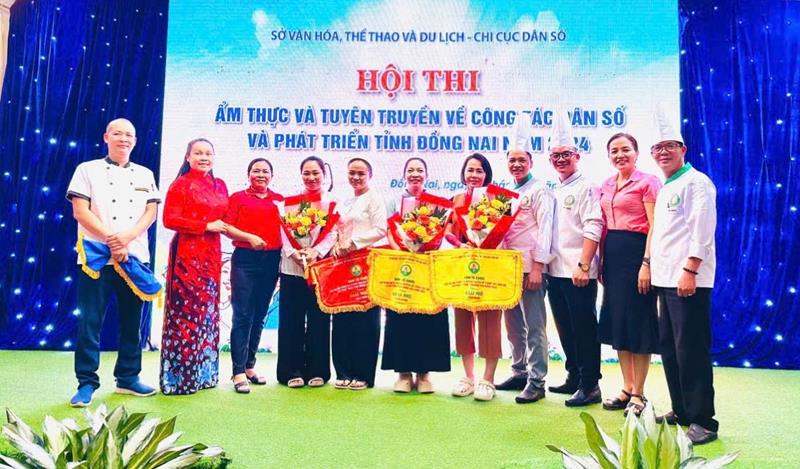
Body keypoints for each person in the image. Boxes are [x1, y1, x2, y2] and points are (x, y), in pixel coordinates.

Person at [66, 118, 160, 407]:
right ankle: (86, 382)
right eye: (117, 133)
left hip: (134, 256)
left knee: (132, 322)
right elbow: (80, 212)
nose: (123, 138)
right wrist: (112, 240)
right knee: (90, 322)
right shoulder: (87, 169)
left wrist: (126, 240)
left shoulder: (145, 174)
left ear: (135, 140)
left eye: (129, 134)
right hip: (97, 258)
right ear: (106, 137)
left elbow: (150, 213)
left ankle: (128, 378)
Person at [649, 113, 719, 445]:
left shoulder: (697, 182)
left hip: (688, 280)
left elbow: (702, 230)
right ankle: (682, 410)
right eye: (658, 148)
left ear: (683, 149)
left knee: (691, 350)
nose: (663, 152)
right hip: (666, 280)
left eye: (670, 146)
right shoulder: (667, 187)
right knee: (670, 348)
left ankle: (703, 420)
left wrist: (690, 270)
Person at [598, 133, 662, 416]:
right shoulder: (606, 184)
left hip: (637, 254)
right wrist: (601, 261)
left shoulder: (648, 182)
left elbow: (655, 225)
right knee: (619, 323)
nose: (620, 155)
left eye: (625, 149)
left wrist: (646, 263)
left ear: (636, 153)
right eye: (614, 151)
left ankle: (639, 394)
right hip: (613, 255)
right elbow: (603, 226)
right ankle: (626, 387)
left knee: (638, 324)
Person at [160, 138, 229, 395]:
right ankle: (181, 380)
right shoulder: (181, 184)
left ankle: (204, 375)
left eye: (208, 153)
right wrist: (205, 226)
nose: (204, 157)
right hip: (187, 257)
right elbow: (169, 219)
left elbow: (227, 220)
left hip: (212, 256)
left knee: (207, 315)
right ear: (188, 157)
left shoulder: (220, 185)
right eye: (198, 153)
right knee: (186, 316)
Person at [495, 120, 555, 404]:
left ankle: (537, 380)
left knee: (534, 326)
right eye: (512, 160)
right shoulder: (506, 194)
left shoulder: (540, 190)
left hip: (531, 268)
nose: (517, 164)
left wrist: (539, 267)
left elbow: (545, 230)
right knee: (513, 325)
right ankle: (519, 371)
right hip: (509, 268)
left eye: (522, 160)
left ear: (531, 161)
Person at [545, 122, 604, 407]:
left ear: (577, 155)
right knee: (565, 328)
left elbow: (594, 225)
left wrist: (584, 265)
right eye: (555, 155)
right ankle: (574, 376)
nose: (560, 159)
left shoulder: (587, 186)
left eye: (565, 154)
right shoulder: (554, 189)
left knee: (584, 329)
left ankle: (590, 384)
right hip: (555, 271)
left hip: (578, 271)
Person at [382, 157, 451, 393]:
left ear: (426, 176)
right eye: (410, 170)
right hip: (402, 266)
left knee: (427, 318)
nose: (415, 174)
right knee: (401, 316)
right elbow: (389, 230)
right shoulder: (394, 201)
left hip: (428, 267)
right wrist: (402, 251)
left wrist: (424, 250)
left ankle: (424, 374)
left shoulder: (437, 204)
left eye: (419, 170)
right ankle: (403, 373)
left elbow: (442, 234)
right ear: (404, 176)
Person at [222, 158, 283, 393]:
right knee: (242, 314)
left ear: (272, 176)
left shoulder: (279, 200)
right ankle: (237, 371)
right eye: (256, 171)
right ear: (248, 175)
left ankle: (249, 366)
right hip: (245, 260)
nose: (261, 175)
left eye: (265, 171)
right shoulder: (237, 198)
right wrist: (249, 237)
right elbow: (227, 227)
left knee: (259, 315)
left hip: (271, 260)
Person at [277, 156, 337, 388]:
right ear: (301, 174)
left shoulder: (332, 202)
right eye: (307, 173)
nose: (311, 177)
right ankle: (290, 371)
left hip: (320, 268)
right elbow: (282, 231)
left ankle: (317, 370)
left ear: (324, 174)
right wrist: (294, 253)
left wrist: (316, 252)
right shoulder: (288, 202)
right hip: (292, 268)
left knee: (319, 320)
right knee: (290, 320)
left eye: (316, 173)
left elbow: (333, 232)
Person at [446, 153, 503, 402]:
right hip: (463, 266)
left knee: (490, 322)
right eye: (470, 170)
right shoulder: (456, 200)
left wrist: (488, 245)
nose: (474, 175)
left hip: (490, 267)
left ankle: (488, 380)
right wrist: (460, 245)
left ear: (487, 174)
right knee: (462, 320)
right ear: (463, 173)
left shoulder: (498, 200)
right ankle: (468, 377)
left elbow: (505, 234)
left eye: (479, 171)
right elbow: (448, 231)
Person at [330, 158, 387, 391]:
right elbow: (335, 228)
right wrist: (336, 243)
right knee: (342, 316)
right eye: (352, 173)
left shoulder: (375, 198)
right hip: (343, 264)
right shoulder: (345, 200)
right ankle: (343, 371)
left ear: (369, 175)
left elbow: (381, 229)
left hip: (365, 262)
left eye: (361, 173)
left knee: (366, 318)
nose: (356, 177)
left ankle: (363, 374)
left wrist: (353, 242)